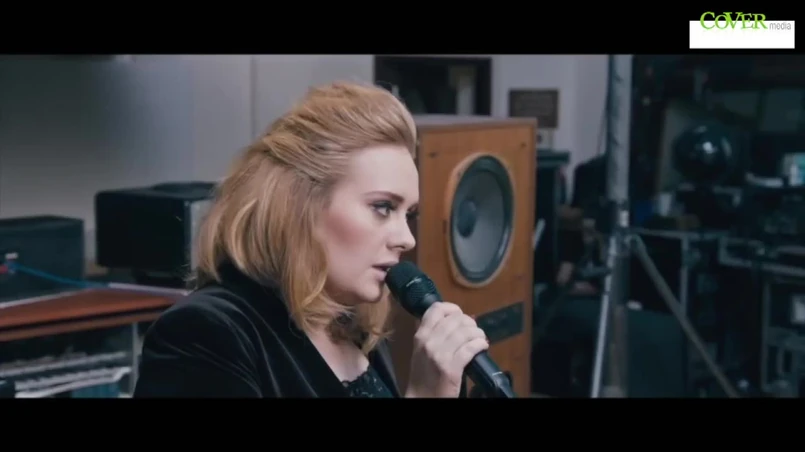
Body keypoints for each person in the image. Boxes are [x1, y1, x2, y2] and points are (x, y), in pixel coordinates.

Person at [133, 81, 489, 398]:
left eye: (408, 214)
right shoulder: (205, 333)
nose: (406, 239)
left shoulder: (349, 323)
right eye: (383, 207)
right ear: (301, 206)